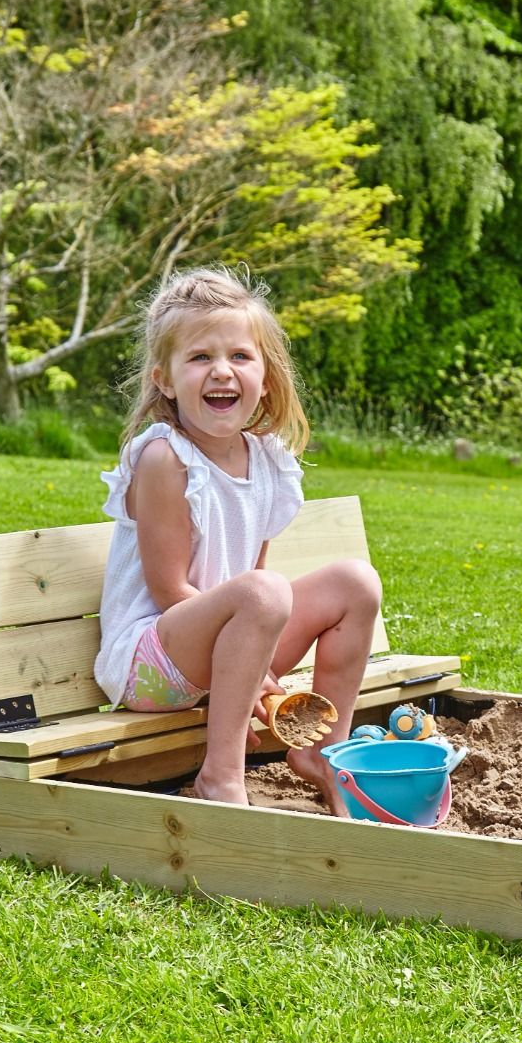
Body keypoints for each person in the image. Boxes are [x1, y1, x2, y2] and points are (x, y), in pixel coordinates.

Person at [93, 266, 382, 810]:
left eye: (240, 357)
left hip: (227, 647)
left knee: (355, 583)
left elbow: (256, 579)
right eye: (200, 358)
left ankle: (323, 753)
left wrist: (256, 667)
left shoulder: (268, 460)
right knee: (265, 590)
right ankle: (221, 776)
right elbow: (168, 590)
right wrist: (254, 670)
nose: (222, 372)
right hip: (152, 661)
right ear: (164, 379)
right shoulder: (165, 457)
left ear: (266, 377)